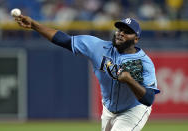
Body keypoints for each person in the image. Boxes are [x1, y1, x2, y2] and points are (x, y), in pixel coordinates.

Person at [15, 15, 160, 131]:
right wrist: (34, 25)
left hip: (133, 110)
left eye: (127, 32)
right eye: (119, 29)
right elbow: (63, 40)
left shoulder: (144, 63)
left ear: (136, 39)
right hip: (109, 109)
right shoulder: (98, 47)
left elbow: (149, 99)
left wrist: (130, 80)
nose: (121, 33)